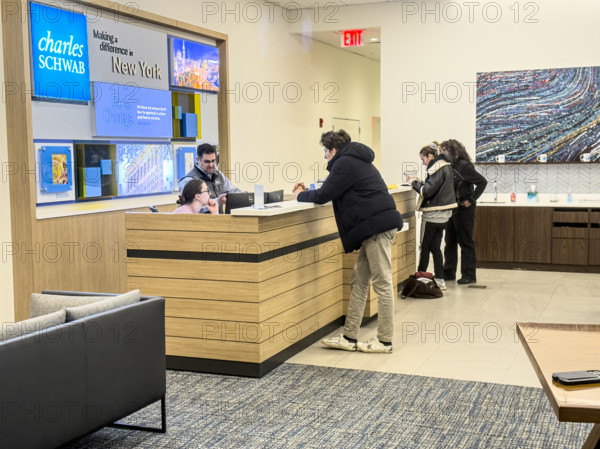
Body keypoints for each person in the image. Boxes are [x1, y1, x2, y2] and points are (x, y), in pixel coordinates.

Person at [293, 130, 403, 354]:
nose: (324, 157)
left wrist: (301, 194)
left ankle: (384, 341)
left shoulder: (344, 163)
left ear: (333, 150)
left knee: (382, 283)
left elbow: (323, 195)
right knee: (359, 281)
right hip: (373, 228)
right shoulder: (355, 160)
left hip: (377, 228)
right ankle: (349, 336)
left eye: (325, 151)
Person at [407, 142, 456, 290]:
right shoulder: (446, 166)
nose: (423, 164)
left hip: (432, 216)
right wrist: (421, 182)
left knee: (425, 247)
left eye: (423, 160)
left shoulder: (436, 168)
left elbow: (427, 192)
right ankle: (440, 280)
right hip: (444, 216)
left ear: (430, 156)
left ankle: (420, 280)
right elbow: (436, 188)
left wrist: (413, 182)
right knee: (436, 247)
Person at [441, 139, 487, 285]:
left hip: (464, 209)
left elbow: (482, 182)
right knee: (450, 241)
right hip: (451, 208)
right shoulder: (448, 166)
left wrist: (471, 200)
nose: (442, 154)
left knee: (465, 241)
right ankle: (448, 272)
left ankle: (469, 274)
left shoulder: (463, 166)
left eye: (445, 151)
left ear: (454, 152)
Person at [178, 143, 243, 210]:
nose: (211, 165)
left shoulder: (218, 175)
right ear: (198, 160)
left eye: (213, 161)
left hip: (218, 219)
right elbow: (192, 207)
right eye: (207, 162)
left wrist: (249, 197)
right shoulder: (188, 181)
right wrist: (218, 201)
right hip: (200, 220)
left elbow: (232, 190)